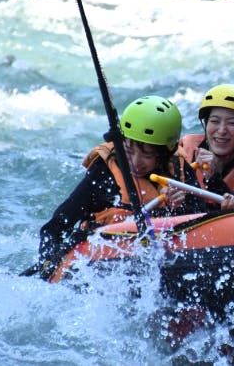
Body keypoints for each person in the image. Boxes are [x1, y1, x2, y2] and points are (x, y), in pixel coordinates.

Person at [37, 95, 208, 279]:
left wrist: (178, 206)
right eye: (128, 151)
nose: (135, 162)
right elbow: (55, 227)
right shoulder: (104, 173)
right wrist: (48, 261)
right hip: (104, 264)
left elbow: (203, 226)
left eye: (147, 155)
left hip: (165, 263)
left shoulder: (179, 170)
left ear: (164, 154)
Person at [178, 84, 234, 210]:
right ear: (206, 123)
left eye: (232, 123)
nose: (221, 131)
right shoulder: (184, 150)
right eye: (214, 121)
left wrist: (214, 178)